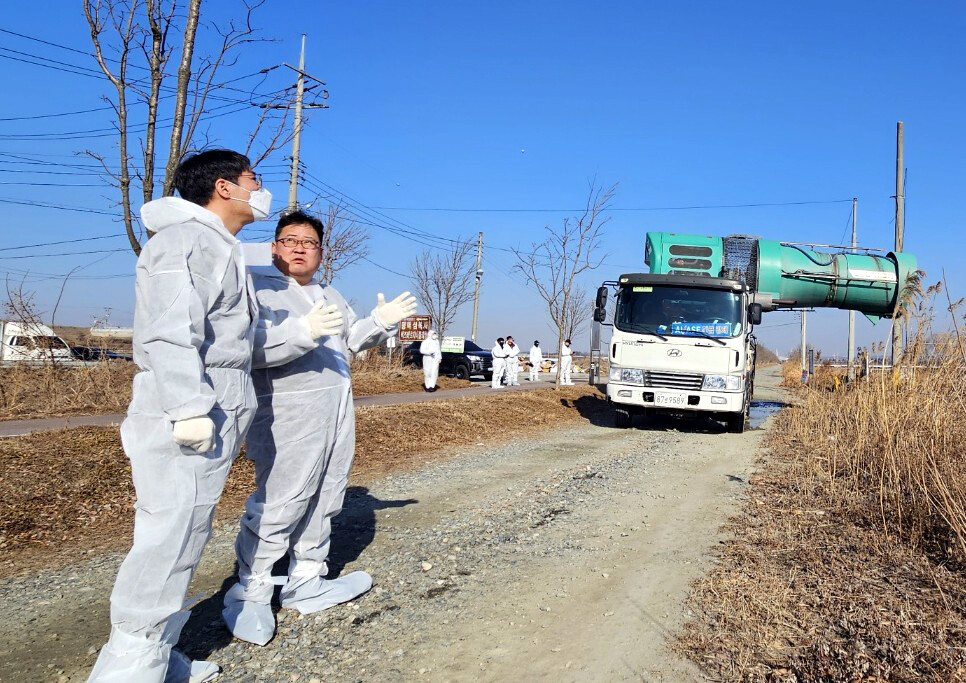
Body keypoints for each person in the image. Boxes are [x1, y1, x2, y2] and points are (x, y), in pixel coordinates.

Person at [88, 150, 267, 683]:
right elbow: (169, 329)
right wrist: (188, 407)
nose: (261, 190)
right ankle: (129, 665)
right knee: (170, 534)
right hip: (188, 405)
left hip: (215, 400)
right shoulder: (184, 241)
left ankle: (156, 656)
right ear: (224, 187)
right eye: (253, 179)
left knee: (187, 531)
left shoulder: (219, 244)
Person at [222, 210, 417, 647]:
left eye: (308, 243)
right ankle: (251, 589)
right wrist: (300, 331)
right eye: (290, 240)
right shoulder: (256, 289)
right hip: (287, 411)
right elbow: (244, 349)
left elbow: (351, 341)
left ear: (320, 253)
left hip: (336, 408)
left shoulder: (328, 293)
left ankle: (307, 578)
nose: (299, 249)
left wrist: (380, 322)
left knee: (327, 493)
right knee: (283, 497)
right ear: (274, 246)